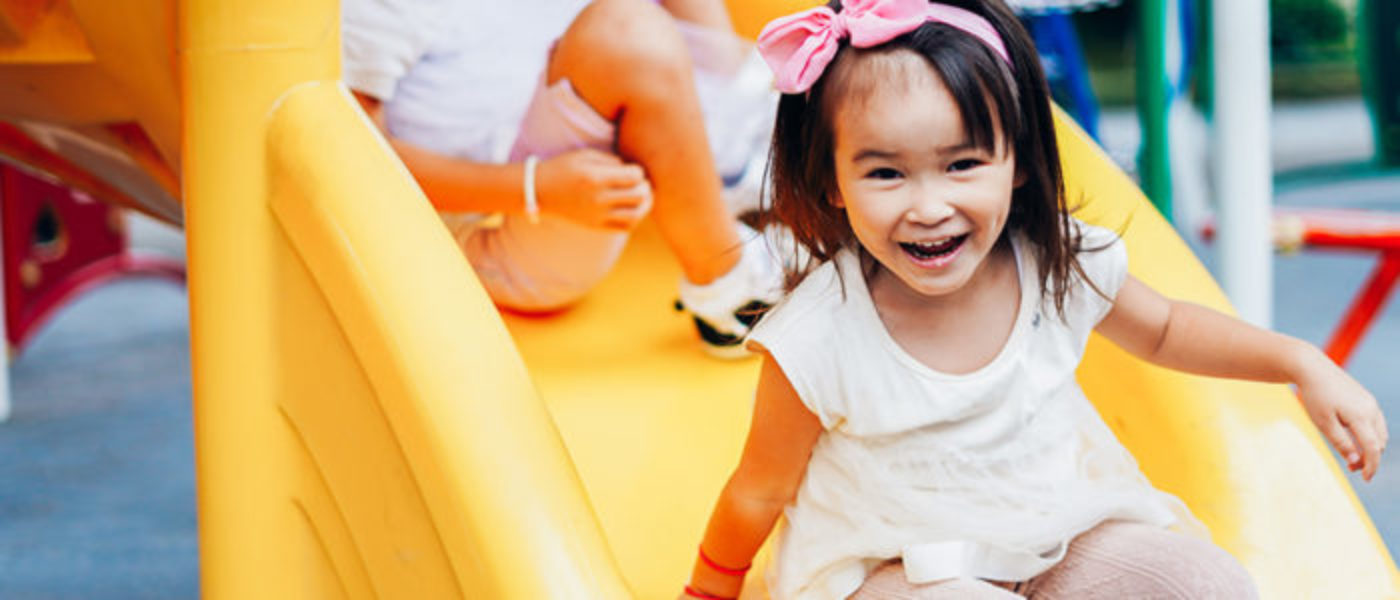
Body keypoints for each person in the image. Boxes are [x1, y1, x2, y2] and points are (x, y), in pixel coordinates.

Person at [679, 0, 1389, 598]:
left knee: (1199, 584)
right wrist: (707, 592)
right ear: (832, 182)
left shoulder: (1052, 263)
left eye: (962, 165)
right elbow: (758, 490)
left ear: (1015, 160)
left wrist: (1301, 363)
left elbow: (1169, 329)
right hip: (891, 568)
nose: (930, 206)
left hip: (1055, 534)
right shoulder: (821, 335)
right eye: (887, 174)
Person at [342, 0, 783, 357]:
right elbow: (358, 162)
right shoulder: (375, 12)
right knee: (624, 33)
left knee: (625, 31)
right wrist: (538, 188)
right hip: (501, 227)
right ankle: (729, 290)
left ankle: (732, 155)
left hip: (592, 158)